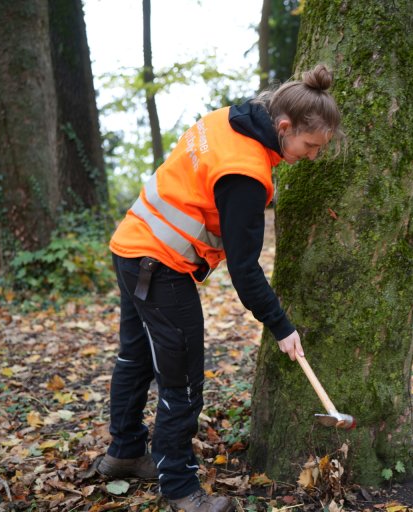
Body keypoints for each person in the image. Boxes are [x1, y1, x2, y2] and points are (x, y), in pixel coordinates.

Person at [97, 64, 342, 512]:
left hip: (132, 245)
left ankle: (125, 452)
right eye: (309, 146)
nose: (312, 156)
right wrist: (282, 326)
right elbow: (245, 272)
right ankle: (178, 487)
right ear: (284, 127)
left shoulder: (229, 118)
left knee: (135, 357)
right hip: (160, 265)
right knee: (183, 380)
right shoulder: (246, 173)